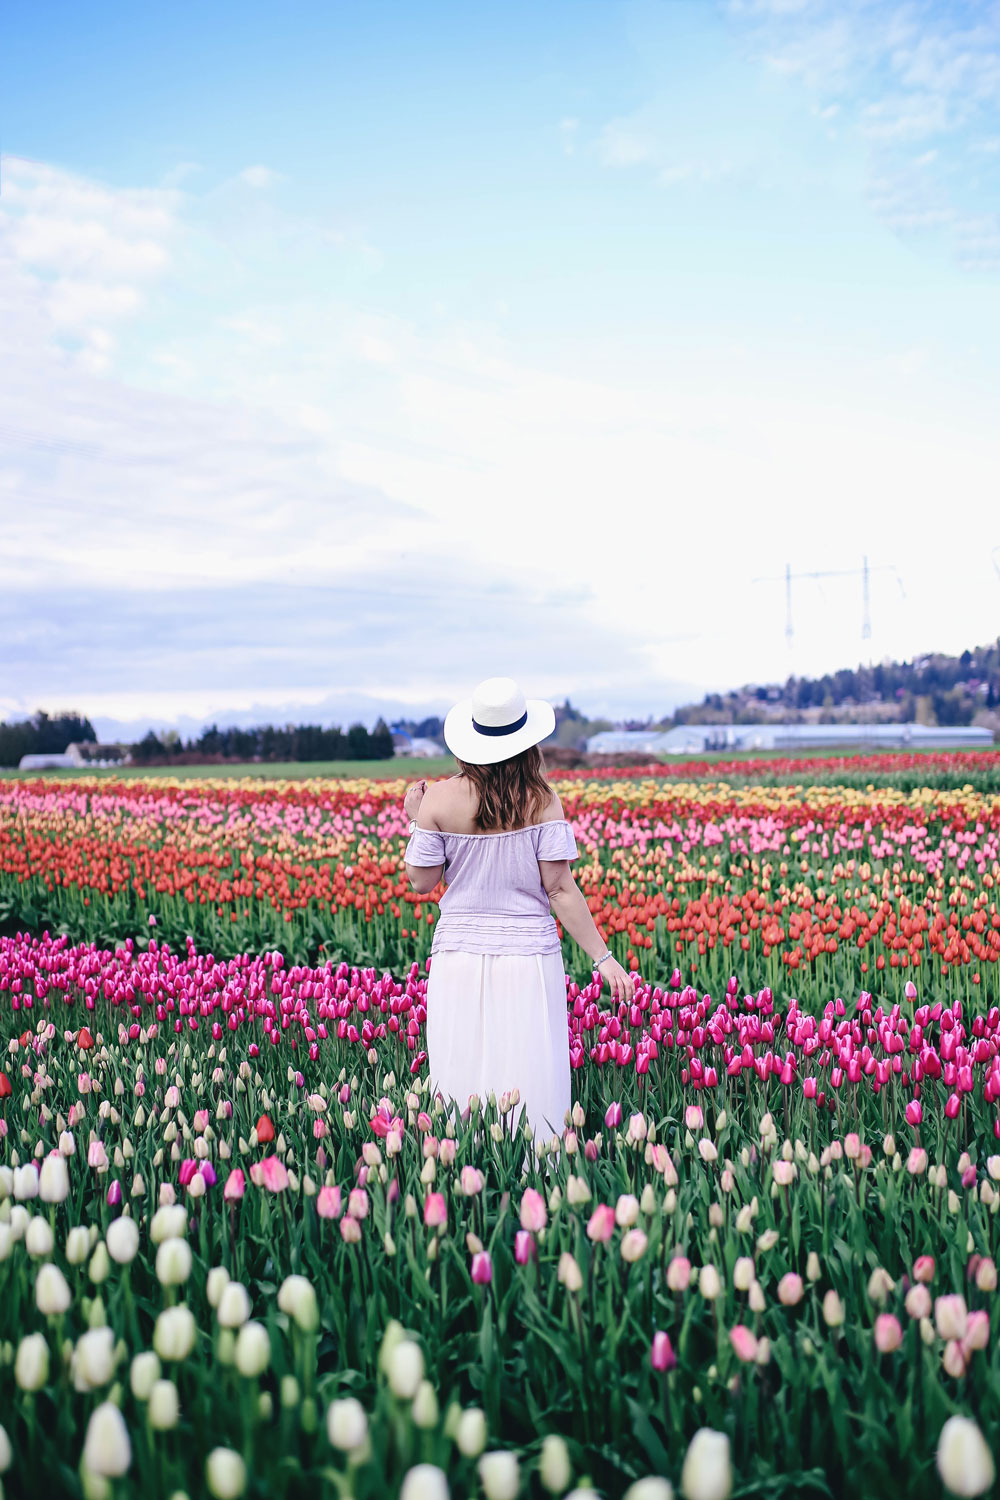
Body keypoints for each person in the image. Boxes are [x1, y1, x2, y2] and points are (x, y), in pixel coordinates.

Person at [403, 675, 635, 1144]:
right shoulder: (543, 801)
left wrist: (415, 820)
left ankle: (461, 1164)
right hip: (529, 956)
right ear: (527, 742)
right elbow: (561, 890)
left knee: (461, 1061)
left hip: (460, 955)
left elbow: (422, 881)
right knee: (528, 1063)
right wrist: (603, 958)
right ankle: (534, 1170)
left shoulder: (439, 800)